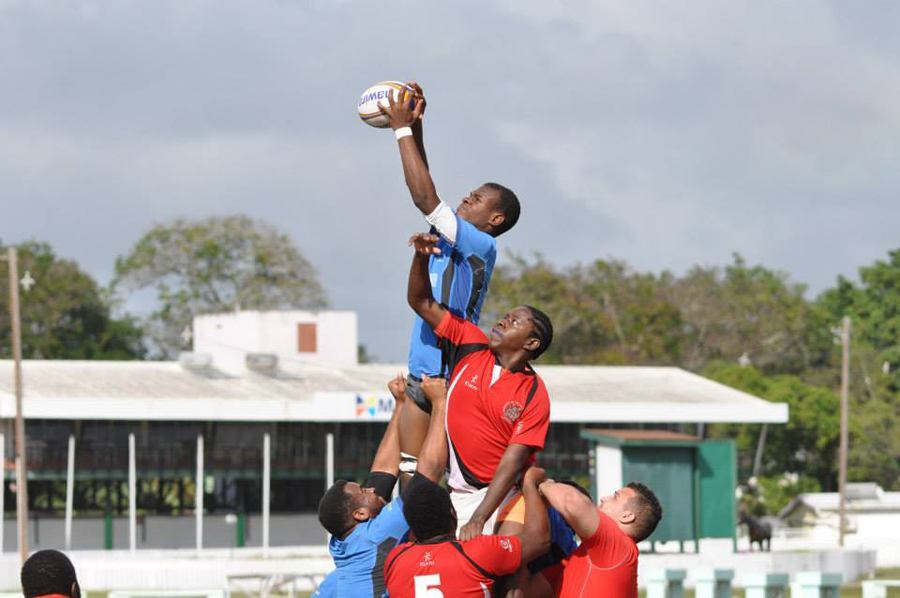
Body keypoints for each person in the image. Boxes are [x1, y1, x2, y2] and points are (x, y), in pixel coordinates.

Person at [379, 83, 522, 462]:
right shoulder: (451, 234)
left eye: (475, 200)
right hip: (421, 368)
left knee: (427, 483)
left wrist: (400, 130)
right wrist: (416, 126)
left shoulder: (479, 244)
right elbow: (429, 191)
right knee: (409, 477)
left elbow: (426, 198)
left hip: (447, 371)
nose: (464, 199)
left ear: (495, 218)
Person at [407, 232, 554, 541]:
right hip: (455, 492)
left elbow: (512, 462)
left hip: (502, 496)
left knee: (511, 575)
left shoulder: (534, 393)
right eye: (504, 317)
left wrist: (479, 517)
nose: (501, 322)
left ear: (531, 342)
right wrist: (420, 257)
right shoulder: (471, 343)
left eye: (513, 322)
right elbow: (421, 301)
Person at [384, 376, 550, 597]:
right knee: (516, 581)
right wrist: (529, 484)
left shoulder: (395, 560)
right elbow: (539, 540)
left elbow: (418, 485)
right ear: (453, 514)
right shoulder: (476, 552)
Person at [314, 375, 410, 598]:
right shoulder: (375, 535)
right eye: (363, 490)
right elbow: (421, 485)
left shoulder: (341, 541)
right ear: (360, 514)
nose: (371, 488)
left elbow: (382, 473)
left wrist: (401, 405)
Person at [520, 479, 663, 598]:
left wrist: (542, 483)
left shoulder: (619, 546)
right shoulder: (580, 558)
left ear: (626, 516)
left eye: (615, 496)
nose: (603, 498)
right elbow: (526, 591)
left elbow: (571, 501)